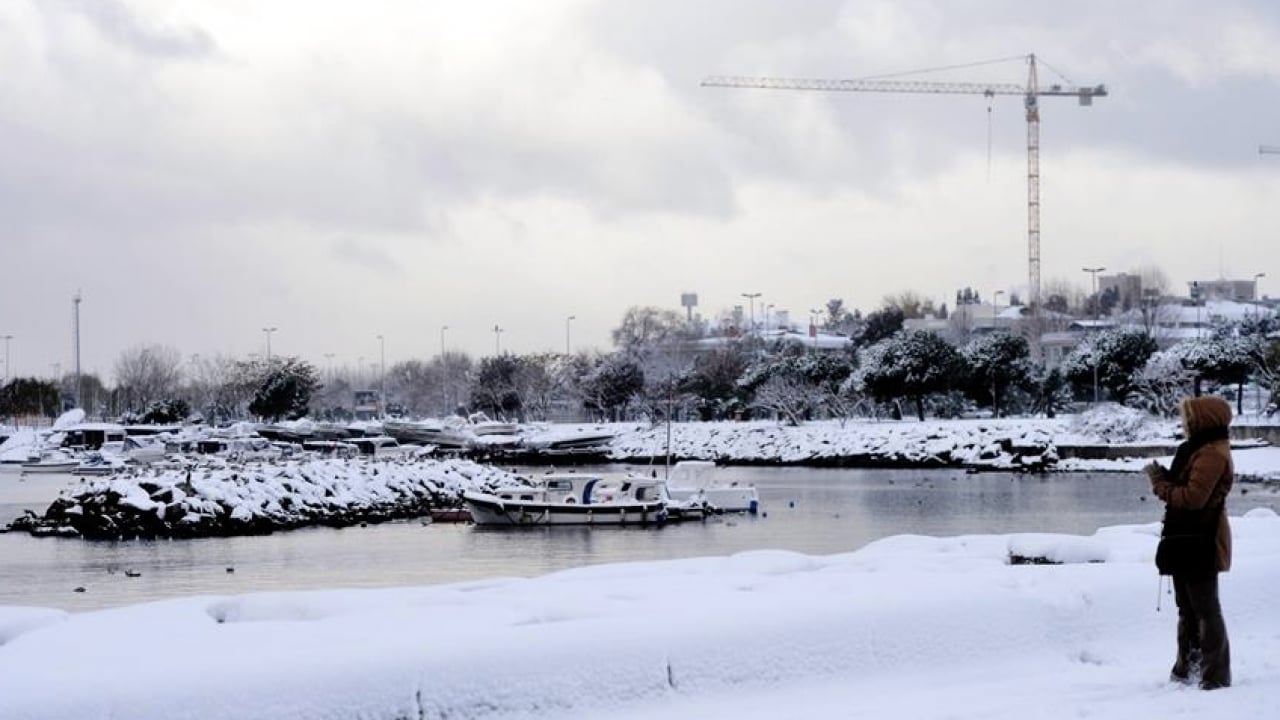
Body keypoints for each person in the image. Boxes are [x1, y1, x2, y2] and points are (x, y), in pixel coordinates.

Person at [1145, 395, 1234, 690]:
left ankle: (1214, 676)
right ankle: (1189, 670)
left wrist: (1160, 485)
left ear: (1202, 419)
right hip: (1187, 539)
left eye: (1188, 416)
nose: (1184, 422)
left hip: (1201, 540)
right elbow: (1187, 487)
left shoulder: (1211, 453)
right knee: (1188, 609)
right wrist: (1167, 478)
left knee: (1205, 609)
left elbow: (1193, 499)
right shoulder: (1198, 449)